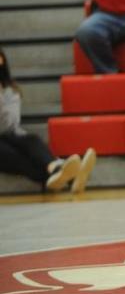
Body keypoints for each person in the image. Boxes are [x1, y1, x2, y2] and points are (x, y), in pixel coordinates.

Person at [0, 48, 97, 194]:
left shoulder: (11, 91)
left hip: (10, 136)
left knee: (32, 139)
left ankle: (56, 169)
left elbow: (9, 125)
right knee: (14, 155)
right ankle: (70, 176)